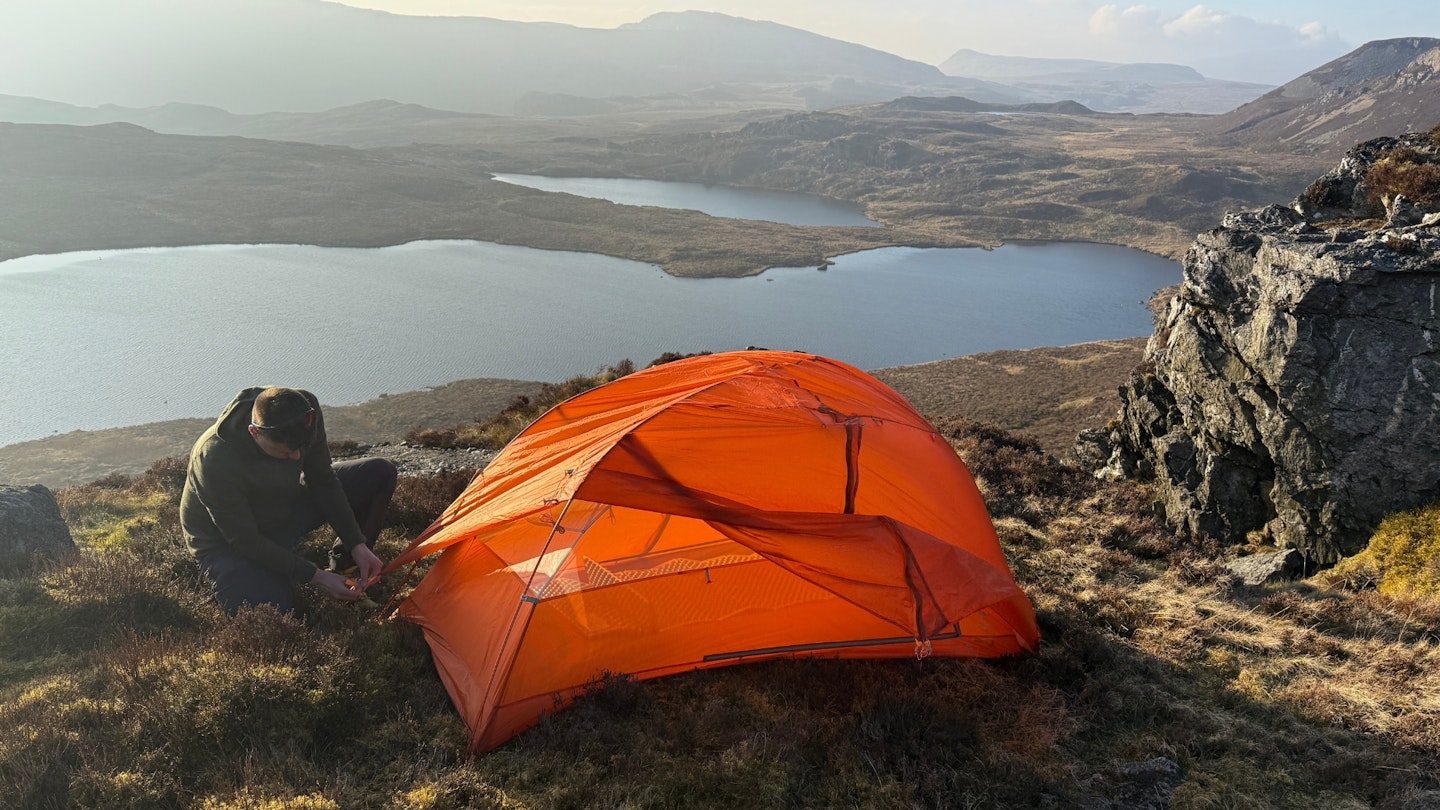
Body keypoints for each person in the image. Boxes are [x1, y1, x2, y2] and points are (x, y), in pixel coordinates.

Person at [180, 386, 398, 615]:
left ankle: (346, 572)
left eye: (301, 448)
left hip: (282, 507)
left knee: (378, 473)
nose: (296, 457)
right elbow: (245, 540)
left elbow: (322, 480)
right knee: (272, 614)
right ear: (254, 433)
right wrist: (316, 577)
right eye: (285, 453)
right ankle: (271, 580)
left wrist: (356, 543)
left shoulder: (304, 411)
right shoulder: (215, 458)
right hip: (227, 543)